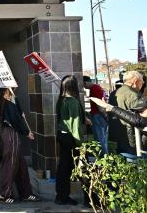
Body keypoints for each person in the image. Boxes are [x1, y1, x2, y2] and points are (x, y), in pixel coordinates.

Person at [90, 96, 147, 161]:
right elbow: (134, 143)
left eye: (141, 112)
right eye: (136, 112)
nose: (138, 115)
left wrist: (108, 107)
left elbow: (137, 120)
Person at [0, 88, 40, 204]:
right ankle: (5, 194)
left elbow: (17, 116)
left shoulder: (11, 100)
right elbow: (14, 119)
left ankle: (26, 193)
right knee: (10, 164)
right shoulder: (6, 100)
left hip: (11, 133)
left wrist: (19, 110)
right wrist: (26, 132)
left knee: (21, 165)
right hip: (11, 133)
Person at [55, 75, 84, 206]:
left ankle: (60, 196)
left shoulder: (61, 99)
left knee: (63, 167)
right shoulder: (72, 101)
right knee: (68, 168)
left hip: (61, 135)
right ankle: (63, 197)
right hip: (70, 138)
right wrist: (80, 144)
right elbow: (75, 125)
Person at [114, 71, 144, 153]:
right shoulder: (132, 94)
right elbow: (141, 113)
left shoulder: (116, 92)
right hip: (131, 130)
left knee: (123, 154)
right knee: (134, 155)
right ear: (135, 81)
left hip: (118, 128)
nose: (143, 83)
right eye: (142, 81)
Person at [83, 76, 108, 155]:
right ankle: (103, 156)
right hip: (98, 115)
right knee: (101, 138)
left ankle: (103, 158)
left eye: (83, 85)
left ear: (85, 82)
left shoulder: (94, 88)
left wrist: (105, 115)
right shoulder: (96, 87)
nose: (84, 87)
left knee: (100, 139)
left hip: (98, 115)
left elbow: (99, 103)